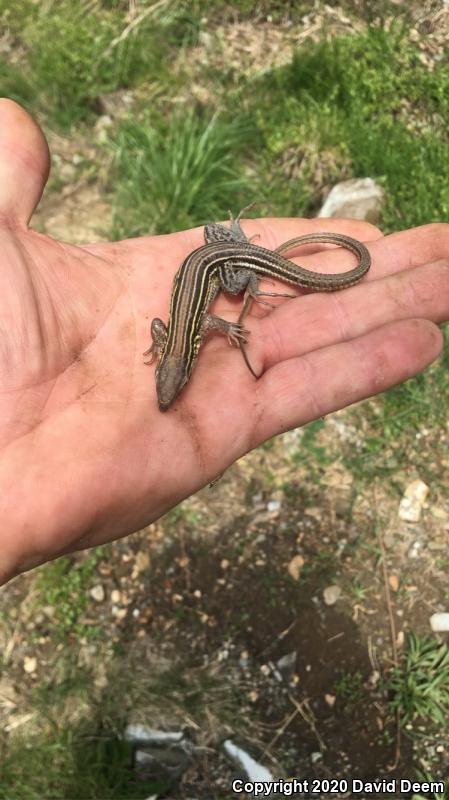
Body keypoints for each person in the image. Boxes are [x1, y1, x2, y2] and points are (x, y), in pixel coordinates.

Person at [0, 98, 448, 586]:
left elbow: (197, 324)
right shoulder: (180, 338)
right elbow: (168, 327)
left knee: (241, 284)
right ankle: (257, 259)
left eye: (170, 385)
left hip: (216, 264)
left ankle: (261, 264)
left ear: (185, 365)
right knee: (243, 281)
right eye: (168, 386)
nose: (168, 394)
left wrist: (230, 326)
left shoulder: (187, 337)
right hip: (211, 258)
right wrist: (193, 336)